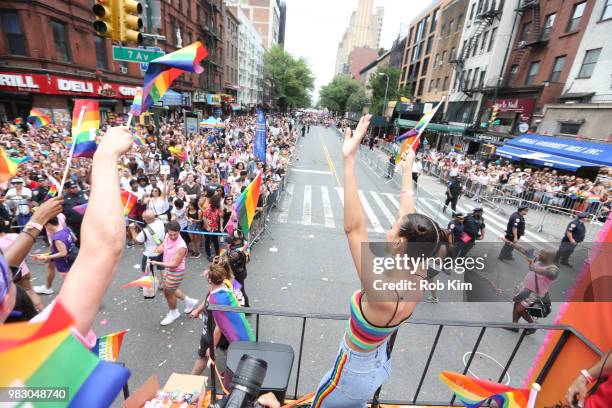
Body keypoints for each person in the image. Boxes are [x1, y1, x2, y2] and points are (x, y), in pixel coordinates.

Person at [311, 116, 446, 407]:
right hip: (376, 366)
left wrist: (349, 160)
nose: (390, 228)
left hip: (350, 374)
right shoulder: (419, 270)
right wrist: (408, 169)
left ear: (399, 243)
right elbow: (407, 217)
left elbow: (354, 228)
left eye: (394, 229)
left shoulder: (381, 290)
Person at [189, 256, 254, 376]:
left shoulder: (218, 297)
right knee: (228, 349)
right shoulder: (229, 284)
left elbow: (219, 325)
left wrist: (212, 346)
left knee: (203, 355)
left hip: (214, 331)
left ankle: (190, 381)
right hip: (229, 330)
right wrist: (198, 310)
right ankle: (235, 373)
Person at [148, 220, 198, 326]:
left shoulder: (182, 246)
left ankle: (174, 312)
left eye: (176, 234)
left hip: (176, 271)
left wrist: (157, 262)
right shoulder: (167, 236)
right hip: (168, 268)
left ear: (179, 232)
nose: (173, 237)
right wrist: (157, 250)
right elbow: (163, 245)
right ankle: (190, 301)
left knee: (168, 292)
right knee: (172, 289)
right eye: (171, 234)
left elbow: (175, 264)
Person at [503, 239, 558, 334]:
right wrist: (511, 243)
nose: (540, 254)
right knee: (517, 303)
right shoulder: (538, 260)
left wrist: (536, 270)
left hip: (534, 293)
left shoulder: (553, 268)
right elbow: (524, 250)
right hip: (524, 288)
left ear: (550, 258)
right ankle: (514, 326)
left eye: (543, 254)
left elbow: (551, 274)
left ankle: (532, 325)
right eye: (540, 253)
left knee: (520, 308)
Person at [128, 209, 165, 282]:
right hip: (161, 250)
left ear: (144, 219)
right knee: (161, 268)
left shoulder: (145, 231)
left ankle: (150, 284)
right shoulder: (160, 222)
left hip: (150, 254)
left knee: (147, 269)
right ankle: (163, 284)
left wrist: (132, 229)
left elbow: (137, 241)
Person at [62, 180, 88, 244]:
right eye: (72, 188)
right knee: (74, 242)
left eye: (75, 187)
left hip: (83, 223)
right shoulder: (63, 198)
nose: (75, 189)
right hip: (71, 225)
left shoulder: (82, 194)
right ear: (67, 189)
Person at [202, 195, 223, 261]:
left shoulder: (217, 208)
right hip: (208, 227)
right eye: (219, 201)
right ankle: (208, 255)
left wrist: (221, 207)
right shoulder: (209, 208)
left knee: (216, 240)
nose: (220, 202)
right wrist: (208, 227)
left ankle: (217, 254)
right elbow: (204, 217)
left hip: (215, 227)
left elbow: (221, 215)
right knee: (207, 241)